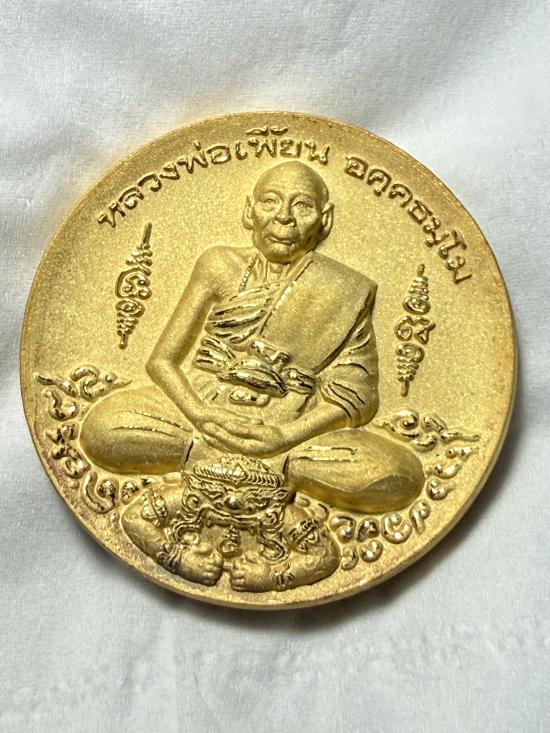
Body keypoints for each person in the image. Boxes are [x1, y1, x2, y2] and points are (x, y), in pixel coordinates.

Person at [79, 161, 423, 590]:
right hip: (201, 413)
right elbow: (162, 362)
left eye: (302, 206)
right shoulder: (219, 265)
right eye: (270, 202)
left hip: (289, 428)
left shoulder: (347, 290)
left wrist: (285, 437)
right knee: (102, 429)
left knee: (397, 475)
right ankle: (223, 457)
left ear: (325, 219)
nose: (284, 218)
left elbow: (357, 396)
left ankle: (259, 461)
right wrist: (201, 416)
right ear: (249, 211)